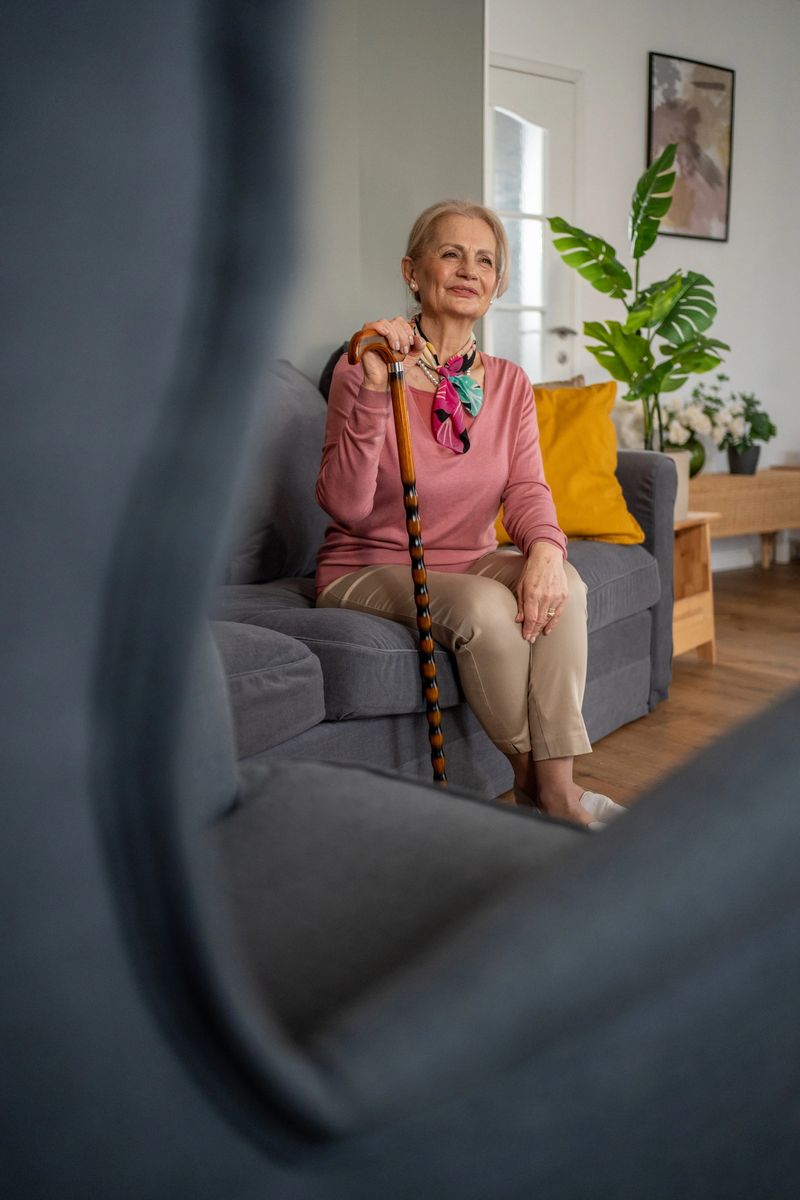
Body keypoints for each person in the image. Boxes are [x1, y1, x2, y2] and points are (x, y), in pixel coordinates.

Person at [315, 200, 622, 830]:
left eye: (485, 260)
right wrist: (377, 387)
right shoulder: (368, 366)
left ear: (499, 284)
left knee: (565, 583)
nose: (468, 270)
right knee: (486, 609)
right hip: (368, 565)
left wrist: (544, 549)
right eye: (450, 253)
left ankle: (557, 794)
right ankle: (538, 787)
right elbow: (343, 505)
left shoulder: (508, 383)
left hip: (468, 558)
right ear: (412, 271)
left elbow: (527, 487)